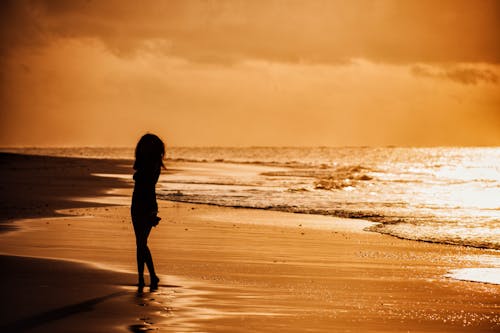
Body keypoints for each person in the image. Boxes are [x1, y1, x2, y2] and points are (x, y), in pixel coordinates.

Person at [131, 133, 165, 291]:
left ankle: (150, 276)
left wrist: (152, 211)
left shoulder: (152, 165)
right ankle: (143, 277)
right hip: (138, 203)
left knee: (141, 243)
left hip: (146, 204)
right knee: (140, 243)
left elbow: (148, 187)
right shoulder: (148, 164)